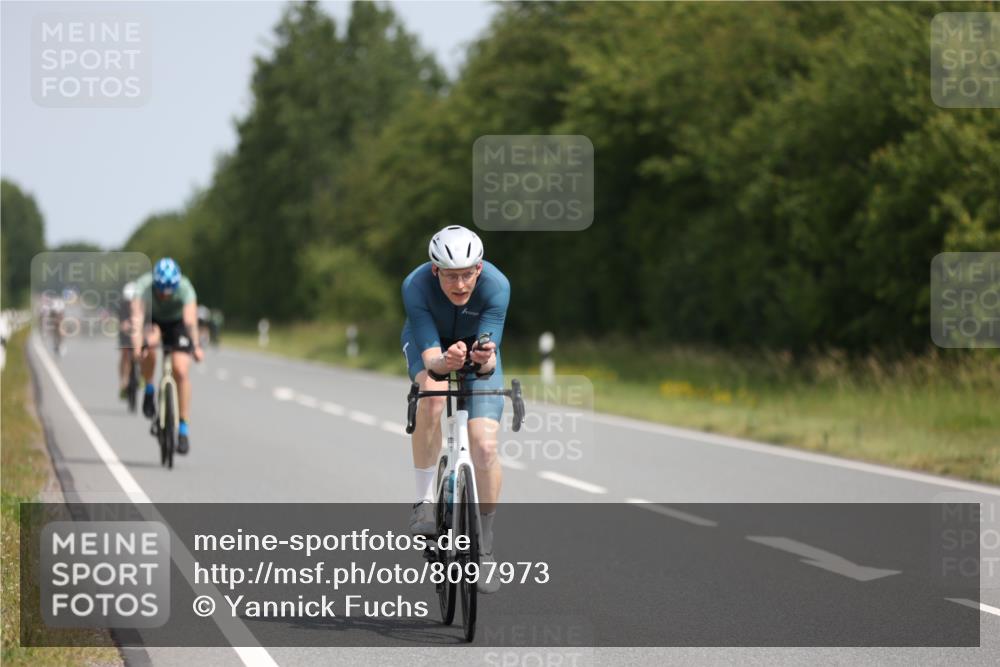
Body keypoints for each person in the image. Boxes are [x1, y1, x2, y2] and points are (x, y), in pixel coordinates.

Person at [401, 225, 509, 594]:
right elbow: (432, 359)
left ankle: (486, 542)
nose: (460, 285)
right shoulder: (415, 286)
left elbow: (489, 365)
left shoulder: (497, 285)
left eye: (467, 275)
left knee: (485, 447)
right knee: (432, 394)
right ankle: (425, 502)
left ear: (479, 269)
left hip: (477, 350)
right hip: (430, 345)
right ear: (436, 271)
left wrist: (480, 360)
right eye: (450, 276)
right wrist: (445, 362)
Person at [130, 258, 204, 453]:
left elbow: (190, 321)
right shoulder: (144, 287)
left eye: (169, 291)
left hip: (177, 323)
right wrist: (138, 347)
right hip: (152, 320)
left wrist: (196, 346)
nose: (164, 295)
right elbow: (137, 320)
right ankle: (149, 389)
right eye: (161, 290)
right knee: (150, 348)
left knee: (180, 370)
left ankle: (183, 428)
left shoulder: (185, 288)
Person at [117, 281, 139, 400]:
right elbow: (120, 322)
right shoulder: (122, 306)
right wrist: (124, 326)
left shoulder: (142, 304)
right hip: (125, 332)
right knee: (124, 352)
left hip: (138, 331)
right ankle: (124, 382)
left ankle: (140, 374)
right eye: (129, 301)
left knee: (141, 350)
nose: (131, 303)